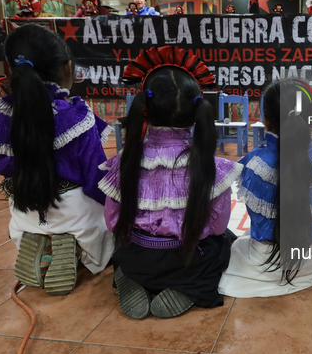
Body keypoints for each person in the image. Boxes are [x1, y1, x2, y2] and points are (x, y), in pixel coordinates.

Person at [99, 46, 241, 319]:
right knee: (223, 243)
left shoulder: (123, 161)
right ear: (196, 109)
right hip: (186, 259)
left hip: (138, 256)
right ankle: (188, 287)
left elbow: (112, 221)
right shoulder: (210, 166)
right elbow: (217, 225)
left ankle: (130, 276)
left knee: (124, 250)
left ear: (145, 108)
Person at [0, 24, 114, 295]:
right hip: (74, 215)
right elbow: (96, 179)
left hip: (24, 211)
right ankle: (75, 245)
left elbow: (4, 167)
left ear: (12, 69)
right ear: (67, 69)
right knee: (111, 221)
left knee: (30, 208)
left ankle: (41, 243)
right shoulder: (76, 117)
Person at [218, 79, 312, 297]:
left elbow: (256, 218)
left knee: (233, 245)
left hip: (264, 262)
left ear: (265, 121)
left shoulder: (254, 163)